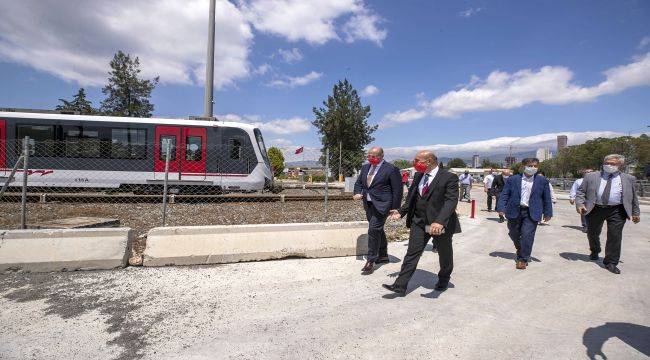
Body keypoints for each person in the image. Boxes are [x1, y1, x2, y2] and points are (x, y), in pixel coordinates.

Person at [382, 150, 461, 296]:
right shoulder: (419, 175)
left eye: (417, 160)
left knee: (444, 253)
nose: (414, 163)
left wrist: (439, 222)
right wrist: (401, 211)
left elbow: (451, 201)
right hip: (418, 222)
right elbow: (412, 198)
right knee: (412, 253)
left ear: (429, 161)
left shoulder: (449, 177)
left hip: (437, 225)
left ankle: (444, 278)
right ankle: (400, 286)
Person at [575, 154, 640, 274]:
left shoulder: (629, 178)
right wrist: (579, 204)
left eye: (613, 163)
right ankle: (595, 250)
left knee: (615, 236)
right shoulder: (591, 176)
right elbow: (580, 192)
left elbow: (633, 197)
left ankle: (611, 262)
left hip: (617, 210)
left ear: (620, 165)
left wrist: (636, 212)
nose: (609, 165)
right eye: (607, 163)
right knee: (592, 232)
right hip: (595, 208)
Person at [353, 147, 403, 274]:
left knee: (373, 230)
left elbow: (397, 190)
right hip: (368, 204)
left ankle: (371, 260)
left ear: (381, 156)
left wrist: (395, 208)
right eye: (369, 156)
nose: (370, 158)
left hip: (383, 205)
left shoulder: (391, 169)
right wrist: (357, 192)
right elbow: (359, 183)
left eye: (374, 156)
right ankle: (383, 255)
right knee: (378, 230)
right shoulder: (365, 168)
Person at [496, 158, 553, 270]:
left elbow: (547, 198)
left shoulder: (543, 181)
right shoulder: (513, 179)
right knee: (513, 233)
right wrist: (501, 208)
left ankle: (523, 259)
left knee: (527, 235)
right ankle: (520, 248)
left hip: (532, 212)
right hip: (514, 210)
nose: (533, 168)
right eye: (530, 165)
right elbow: (505, 194)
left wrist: (548, 213)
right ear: (523, 167)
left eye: (535, 166)